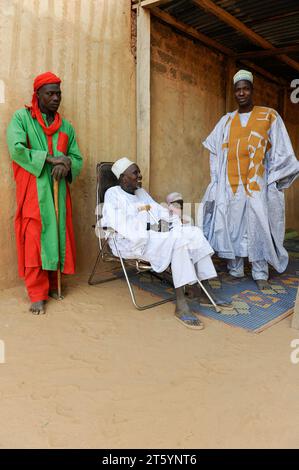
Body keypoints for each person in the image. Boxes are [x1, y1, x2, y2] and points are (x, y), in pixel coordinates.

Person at [101, 157, 231, 330]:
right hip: (130, 241)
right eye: (135, 173)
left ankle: (201, 290)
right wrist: (150, 228)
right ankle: (181, 304)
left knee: (193, 233)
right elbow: (119, 223)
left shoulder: (140, 193)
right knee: (177, 241)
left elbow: (159, 211)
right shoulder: (113, 194)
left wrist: (174, 220)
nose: (140, 176)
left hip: (154, 235)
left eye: (139, 172)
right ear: (123, 177)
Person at [201, 69, 299, 290]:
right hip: (229, 185)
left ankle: (260, 272)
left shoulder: (269, 116)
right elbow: (214, 150)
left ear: (252, 90)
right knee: (231, 225)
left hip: (257, 184)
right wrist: (216, 180)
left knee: (258, 226)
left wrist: (274, 179)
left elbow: (282, 150)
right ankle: (235, 268)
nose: (241, 93)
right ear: (234, 93)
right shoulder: (226, 121)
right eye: (238, 90)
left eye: (245, 88)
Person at [7, 72, 83, 314]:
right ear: (37, 94)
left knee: (55, 239)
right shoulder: (21, 118)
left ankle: (52, 284)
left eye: (58, 93)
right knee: (34, 241)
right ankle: (36, 293)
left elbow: (76, 157)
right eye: (49, 93)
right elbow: (16, 149)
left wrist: (67, 164)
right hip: (33, 194)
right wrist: (51, 159)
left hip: (58, 194)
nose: (55, 98)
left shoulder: (66, 128)